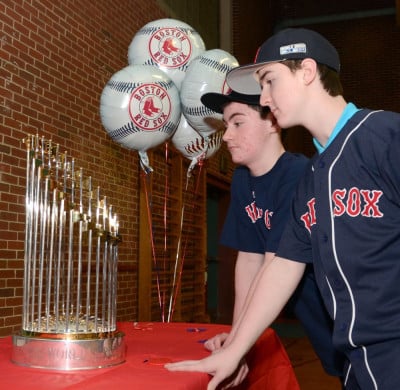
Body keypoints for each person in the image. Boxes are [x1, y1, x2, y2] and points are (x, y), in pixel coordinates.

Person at [166, 27, 400, 390]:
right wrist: (235, 349)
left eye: (269, 80)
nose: (264, 95)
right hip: (358, 364)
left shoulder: (383, 135)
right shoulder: (312, 178)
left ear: (307, 72)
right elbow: (281, 266)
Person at [200, 89, 344, 383]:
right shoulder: (242, 180)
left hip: (344, 309)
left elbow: (273, 263)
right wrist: (237, 335)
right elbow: (250, 260)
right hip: (312, 313)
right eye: (226, 125)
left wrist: (240, 344)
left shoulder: (298, 174)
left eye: (238, 123)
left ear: (272, 122)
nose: (227, 136)